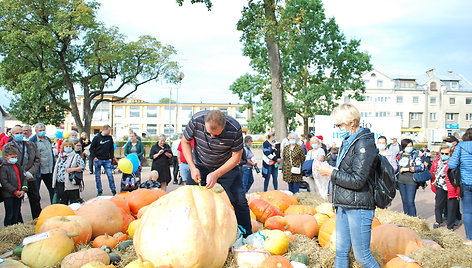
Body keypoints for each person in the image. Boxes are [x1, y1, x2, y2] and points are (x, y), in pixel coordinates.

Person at [317, 103, 379, 268]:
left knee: (362, 256)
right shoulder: (348, 141)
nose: (338, 127)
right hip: (344, 203)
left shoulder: (364, 143)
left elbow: (358, 180)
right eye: (336, 125)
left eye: (340, 124)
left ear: (352, 122)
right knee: (341, 252)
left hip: (358, 205)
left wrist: (330, 173)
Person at [181, 109, 252, 237]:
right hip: (200, 165)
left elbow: (236, 156)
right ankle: (188, 233)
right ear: (205, 123)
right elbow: (185, 142)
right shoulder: (197, 120)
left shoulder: (234, 128)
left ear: (224, 126)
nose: (212, 136)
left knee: (239, 201)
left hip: (226, 167)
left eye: (217, 134)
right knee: (189, 200)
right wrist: (192, 167)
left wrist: (216, 174)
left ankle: (247, 235)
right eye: (209, 133)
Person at [3, 126, 41, 220]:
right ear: (12, 134)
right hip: (16, 178)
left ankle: (37, 220)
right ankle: (19, 223)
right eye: (17, 133)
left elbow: (37, 159)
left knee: (35, 199)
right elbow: (6, 162)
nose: (19, 135)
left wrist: (31, 172)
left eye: (21, 133)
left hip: (30, 176)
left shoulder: (31, 144)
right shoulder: (7, 146)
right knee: (16, 203)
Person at [448, 128, 472, 246]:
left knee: (467, 211)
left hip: (466, 182)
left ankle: (469, 238)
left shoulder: (460, 147)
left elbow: (452, 164)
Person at [430, 145, 460, 230]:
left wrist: (458, 191)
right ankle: (438, 221)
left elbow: (457, 176)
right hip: (440, 186)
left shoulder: (453, 163)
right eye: (442, 153)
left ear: (450, 154)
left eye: (446, 153)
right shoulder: (436, 162)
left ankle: (450, 226)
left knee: (451, 207)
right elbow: (432, 172)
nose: (444, 155)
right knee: (438, 205)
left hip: (451, 187)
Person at [396, 138, 426, 217]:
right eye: (407, 146)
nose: (410, 148)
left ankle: (413, 217)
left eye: (411, 146)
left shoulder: (415, 155)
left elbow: (420, 167)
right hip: (401, 181)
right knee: (405, 201)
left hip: (411, 181)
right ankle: (407, 217)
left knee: (410, 201)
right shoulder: (399, 154)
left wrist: (408, 169)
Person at [0, 146, 28, 226]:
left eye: (16, 157)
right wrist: (14, 191)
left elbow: (24, 178)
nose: (15, 159)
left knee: (16, 213)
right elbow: (4, 182)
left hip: (19, 194)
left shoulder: (18, 166)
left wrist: (23, 190)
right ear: (6, 157)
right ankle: (8, 230)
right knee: (10, 214)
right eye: (12, 157)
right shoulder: (3, 168)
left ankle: (15, 228)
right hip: (9, 195)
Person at [52, 140, 85, 205]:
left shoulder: (76, 156)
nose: (68, 148)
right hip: (60, 182)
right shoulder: (60, 156)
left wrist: (73, 169)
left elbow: (82, 166)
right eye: (66, 146)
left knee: (73, 201)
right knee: (63, 201)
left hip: (71, 182)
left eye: (70, 146)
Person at [30, 123, 55, 203]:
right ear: (36, 131)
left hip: (49, 170)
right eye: (40, 130)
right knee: (35, 194)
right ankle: (37, 213)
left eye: (43, 130)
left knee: (53, 191)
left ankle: (54, 207)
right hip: (38, 171)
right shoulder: (32, 141)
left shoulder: (47, 139)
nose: (42, 132)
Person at [89, 125, 116, 196]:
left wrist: (111, 157)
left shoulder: (110, 138)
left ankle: (113, 190)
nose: (110, 132)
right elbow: (91, 148)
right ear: (105, 130)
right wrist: (94, 157)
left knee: (110, 175)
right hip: (98, 159)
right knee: (97, 176)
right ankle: (99, 191)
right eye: (109, 130)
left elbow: (111, 148)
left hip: (107, 159)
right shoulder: (97, 138)